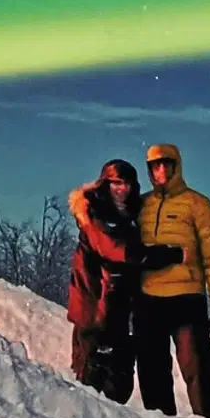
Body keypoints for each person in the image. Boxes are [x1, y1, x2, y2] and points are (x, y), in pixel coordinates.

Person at [67, 160, 184, 403]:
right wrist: (169, 255)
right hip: (95, 306)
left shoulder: (127, 214)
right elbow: (117, 250)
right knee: (92, 381)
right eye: (117, 183)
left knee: (119, 381)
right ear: (105, 184)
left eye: (128, 184)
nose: (123, 189)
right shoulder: (95, 213)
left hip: (119, 307)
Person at [134, 142, 210, 416]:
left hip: (187, 299)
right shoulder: (142, 205)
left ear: (177, 166)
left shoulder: (198, 204)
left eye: (166, 164)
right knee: (151, 369)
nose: (161, 170)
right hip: (148, 298)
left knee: (196, 366)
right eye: (155, 165)